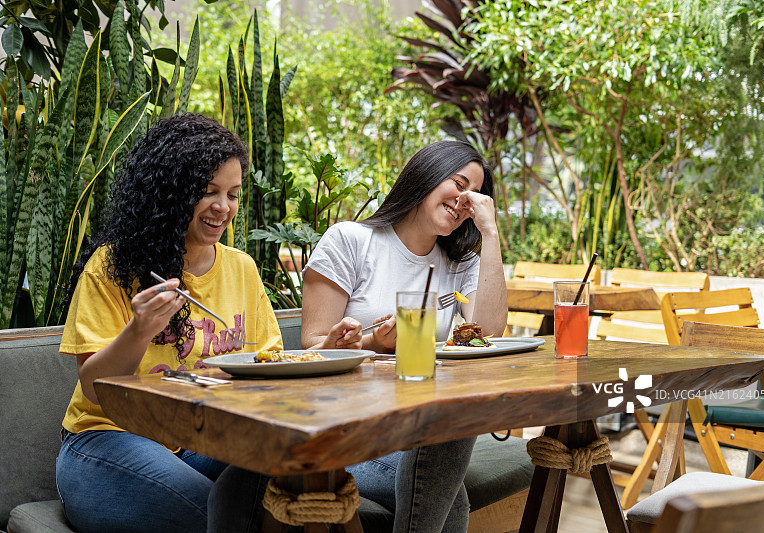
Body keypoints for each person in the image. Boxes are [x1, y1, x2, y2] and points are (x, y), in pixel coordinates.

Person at [55, 113, 361, 533]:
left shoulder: (242, 268)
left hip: (203, 439)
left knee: (305, 473)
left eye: (233, 194)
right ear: (170, 194)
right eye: (207, 191)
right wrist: (139, 330)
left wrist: (328, 354)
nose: (224, 207)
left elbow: (269, 365)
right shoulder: (111, 267)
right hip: (106, 439)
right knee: (232, 518)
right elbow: (95, 388)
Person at [301, 140, 508, 532]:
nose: (466, 201)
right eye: (459, 184)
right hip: (347, 434)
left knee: (447, 450)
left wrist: (491, 232)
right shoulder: (351, 241)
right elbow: (311, 347)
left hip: (423, 428)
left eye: (475, 196)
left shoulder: (460, 264)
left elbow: (490, 333)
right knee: (450, 495)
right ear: (426, 174)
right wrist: (373, 343)